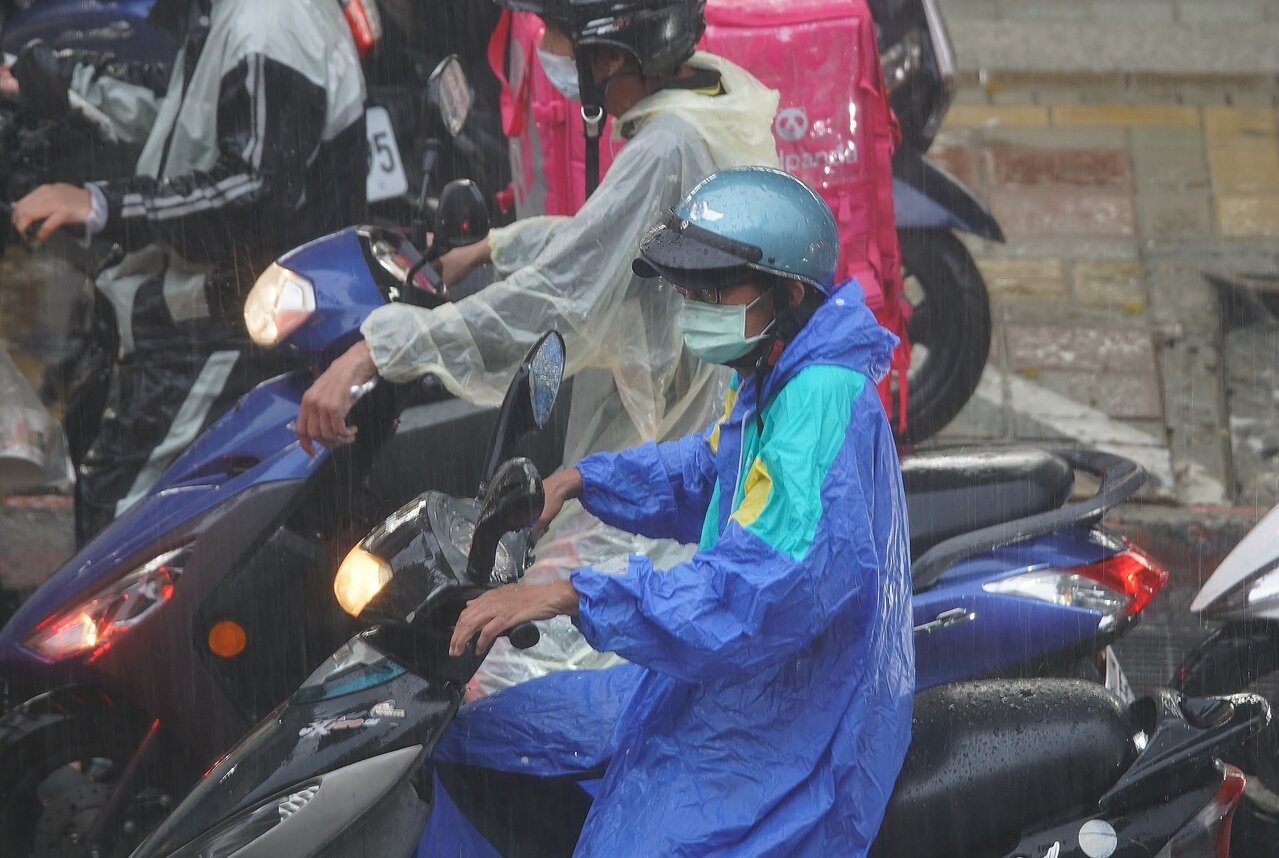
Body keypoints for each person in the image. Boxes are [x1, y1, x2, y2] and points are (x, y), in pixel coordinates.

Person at [297, 0, 780, 690]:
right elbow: (610, 244)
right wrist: (495, 247)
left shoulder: (667, 145)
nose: (546, 50)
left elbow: (559, 300)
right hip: (680, 453)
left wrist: (377, 350)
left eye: (557, 37)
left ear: (610, 53)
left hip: (653, 477)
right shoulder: (706, 98)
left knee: (495, 686)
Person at [443, 167, 915, 856]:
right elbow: (707, 473)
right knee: (479, 740)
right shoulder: (769, 372)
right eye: (689, 287)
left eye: (714, 287)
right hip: (728, 675)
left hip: (790, 714)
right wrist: (579, 480)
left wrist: (569, 595)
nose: (693, 302)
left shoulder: (817, 402)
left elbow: (754, 595)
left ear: (787, 293)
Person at [6, 0, 367, 542]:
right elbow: (189, 110)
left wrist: (101, 205)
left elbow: (254, 194)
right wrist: (60, 84)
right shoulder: (246, 15)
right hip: (216, 318)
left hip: (219, 328)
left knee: (122, 537)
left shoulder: (267, 22)